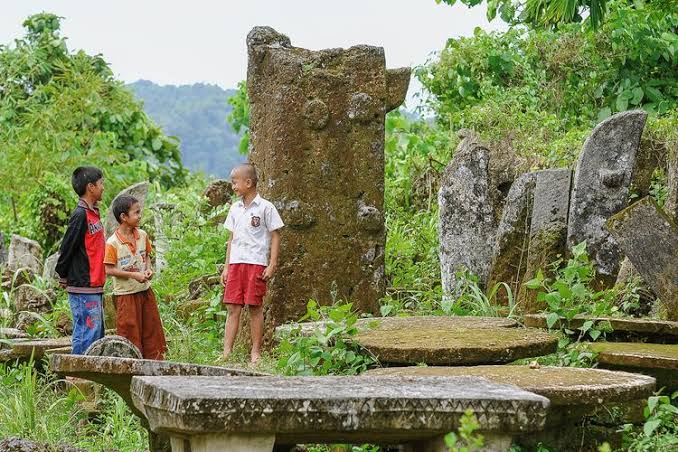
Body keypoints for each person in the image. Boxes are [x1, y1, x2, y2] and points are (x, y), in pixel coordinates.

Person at [221, 163, 284, 363]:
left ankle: (255, 352)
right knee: (233, 308)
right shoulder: (234, 208)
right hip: (236, 263)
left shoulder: (266, 207)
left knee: (255, 308)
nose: (233, 187)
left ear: (248, 183)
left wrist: (272, 263)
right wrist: (226, 267)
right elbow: (231, 239)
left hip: (256, 263)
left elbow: (275, 236)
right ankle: (226, 352)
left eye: (235, 182)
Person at [104, 195, 166, 360]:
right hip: (125, 295)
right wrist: (133, 275)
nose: (140, 216)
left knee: (151, 330)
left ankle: (155, 365)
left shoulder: (143, 235)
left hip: (145, 292)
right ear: (124, 217)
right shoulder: (112, 243)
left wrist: (148, 271)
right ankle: (131, 368)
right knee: (129, 333)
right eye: (136, 213)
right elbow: (109, 270)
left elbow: (147, 259)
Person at [55, 166, 106, 354]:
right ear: (90, 187)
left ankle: (87, 378)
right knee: (87, 332)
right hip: (83, 284)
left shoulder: (94, 213)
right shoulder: (80, 215)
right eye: (101, 184)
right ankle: (78, 379)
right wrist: (63, 273)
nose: (103, 188)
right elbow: (67, 247)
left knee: (95, 333)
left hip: (94, 284)